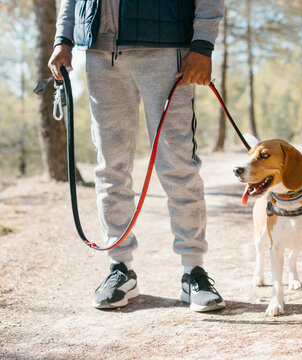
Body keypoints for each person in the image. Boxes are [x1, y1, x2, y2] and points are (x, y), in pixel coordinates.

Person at [48, 0, 226, 311]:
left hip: (167, 49)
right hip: (100, 53)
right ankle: (120, 269)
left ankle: (193, 271)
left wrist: (203, 44)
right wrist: (63, 39)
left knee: (178, 163)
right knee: (109, 166)